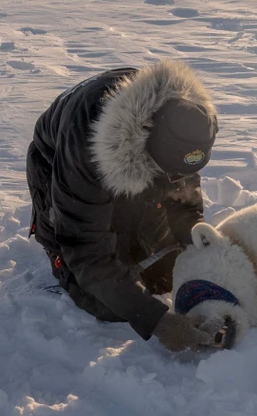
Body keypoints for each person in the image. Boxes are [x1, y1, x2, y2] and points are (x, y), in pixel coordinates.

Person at [26, 59, 219, 352]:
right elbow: (86, 251)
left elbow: (185, 199)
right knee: (105, 303)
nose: (179, 181)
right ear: (144, 151)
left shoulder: (185, 125)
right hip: (57, 165)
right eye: (171, 173)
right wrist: (158, 322)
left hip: (132, 151)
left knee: (164, 271)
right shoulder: (84, 151)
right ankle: (57, 259)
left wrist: (196, 241)